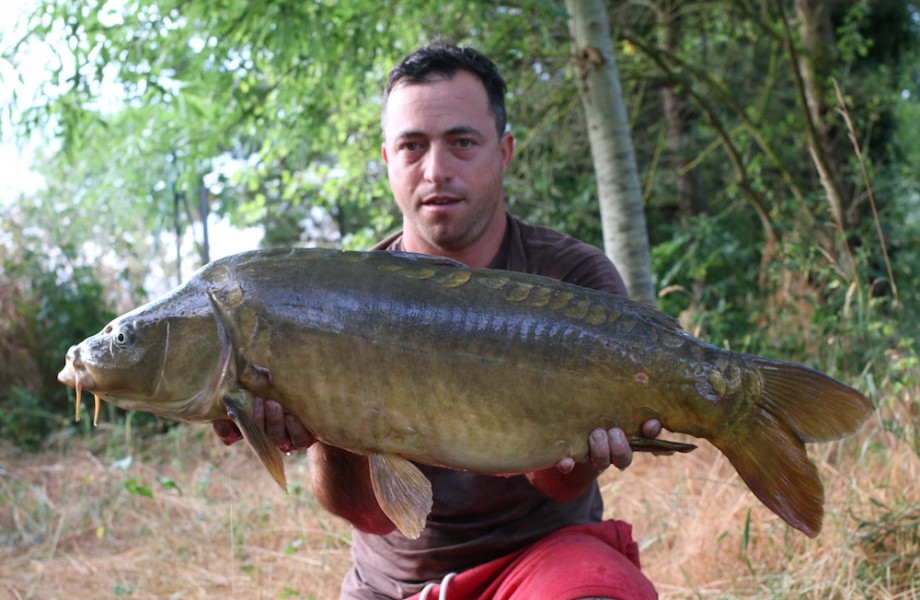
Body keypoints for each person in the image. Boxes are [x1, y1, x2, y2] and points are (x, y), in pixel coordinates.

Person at [214, 44, 661, 600]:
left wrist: (583, 451)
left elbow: (557, 484)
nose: (436, 170)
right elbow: (369, 516)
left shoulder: (572, 278)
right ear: (386, 160)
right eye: (412, 146)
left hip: (542, 561)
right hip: (391, 583)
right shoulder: (335, 301)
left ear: (504, 151)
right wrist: (325, 419)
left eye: (462, 142)